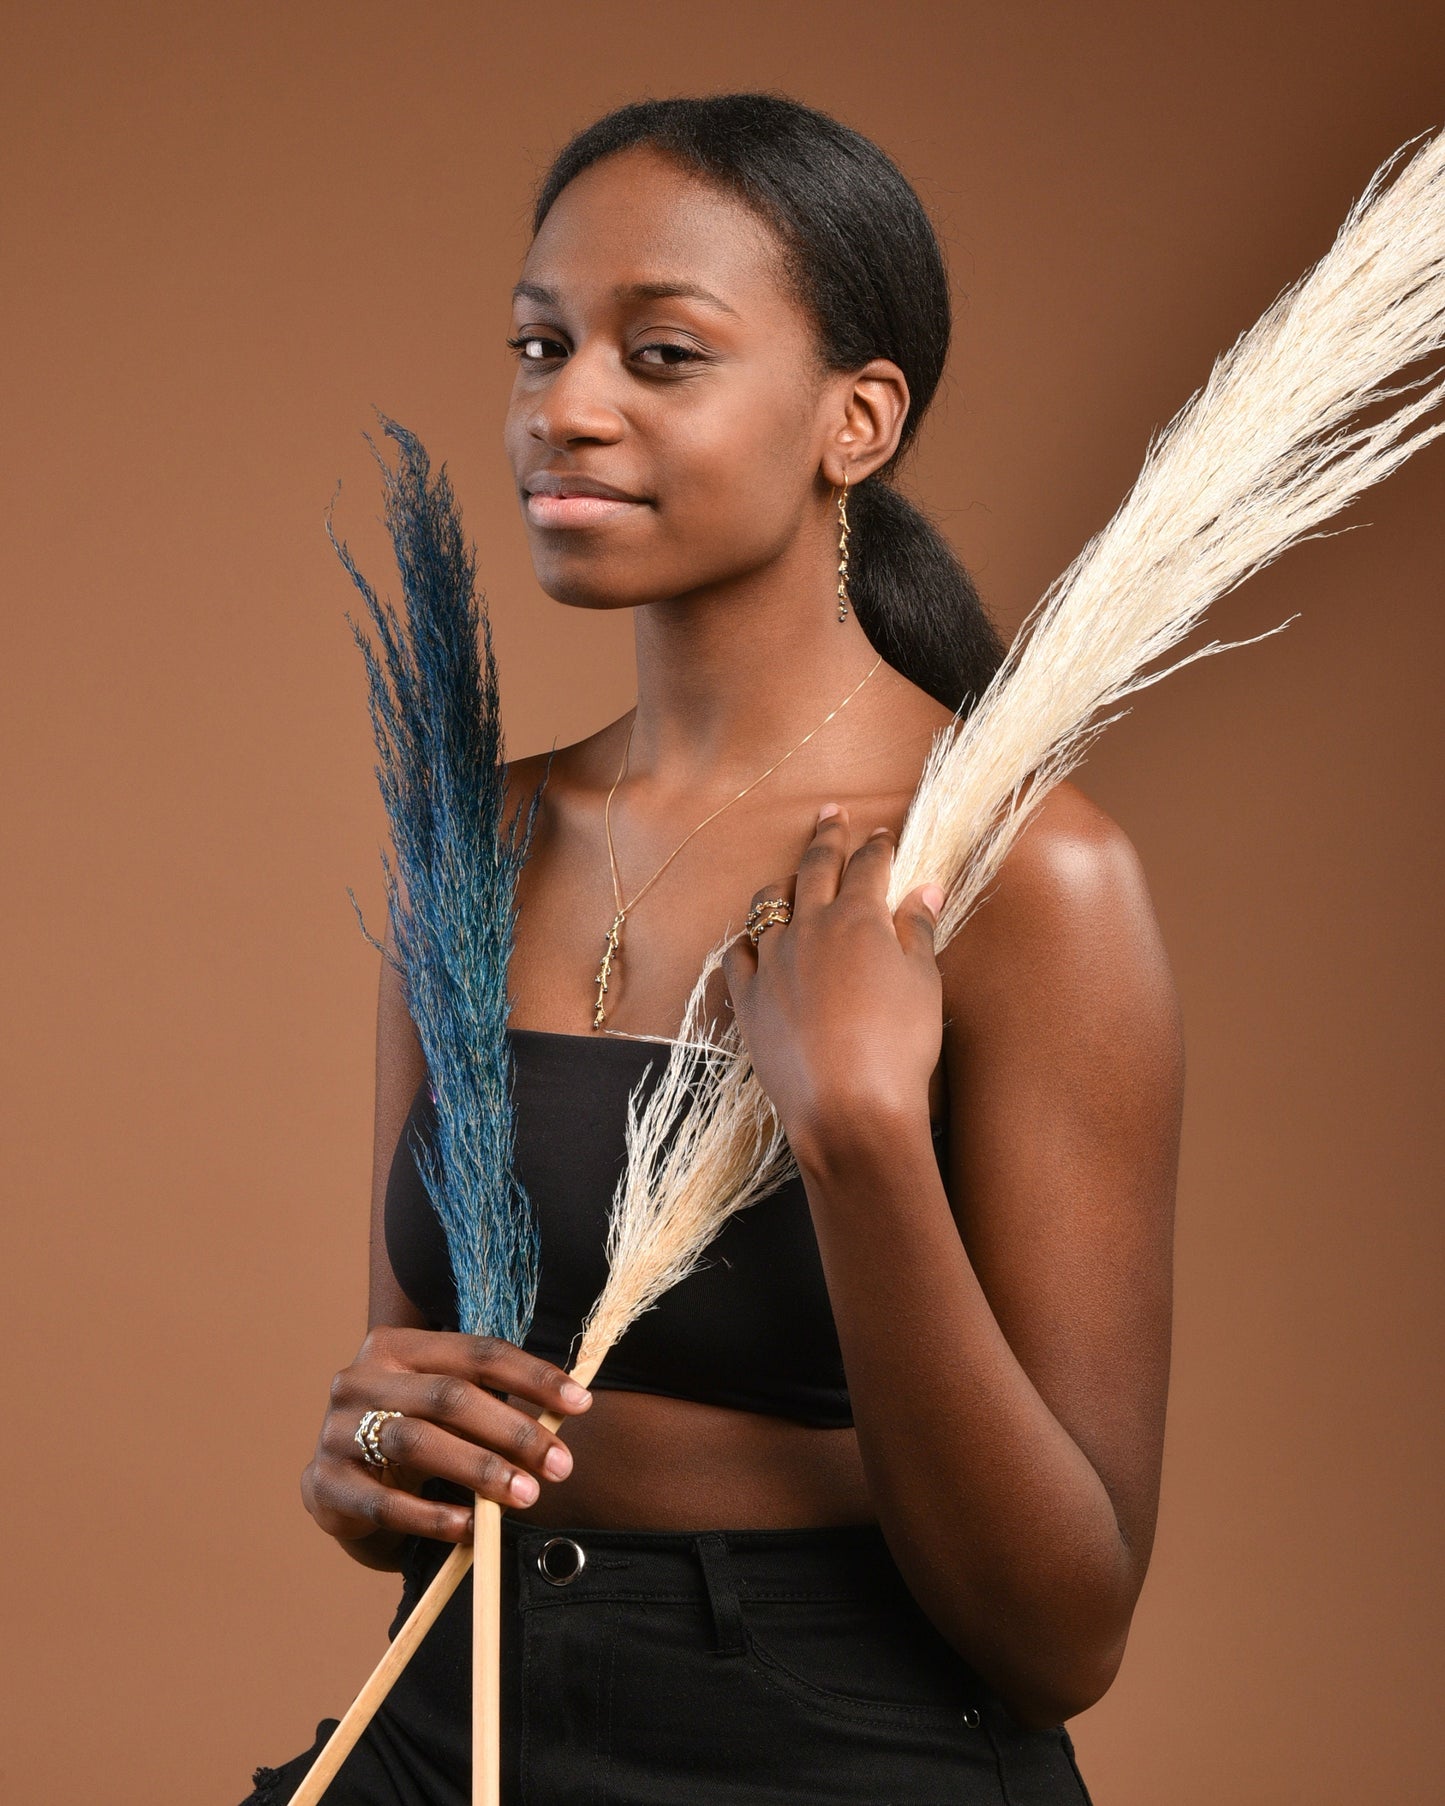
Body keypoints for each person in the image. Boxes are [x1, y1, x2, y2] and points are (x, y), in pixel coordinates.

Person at [241, 91, 1181, 1805]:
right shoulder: (480, 838)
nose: (563, 407)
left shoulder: (1027, 876)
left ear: (856, 420)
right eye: (539, 345)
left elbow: (1063, 1636)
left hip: (842, 1746)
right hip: (460, 1723)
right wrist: (367, 1450)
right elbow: (407, 1416)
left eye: (659, 355)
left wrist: (860, 1137)